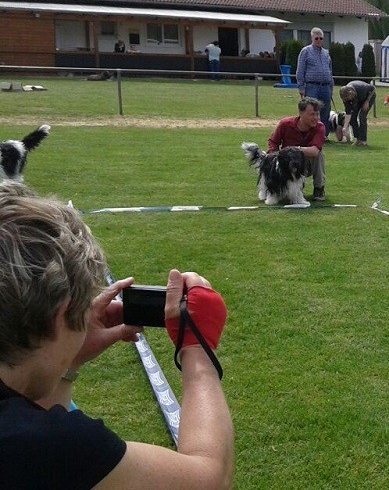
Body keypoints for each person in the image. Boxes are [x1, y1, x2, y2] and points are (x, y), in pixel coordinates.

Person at [0, 183, 233, 489]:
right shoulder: (44, 444)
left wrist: (69, 357)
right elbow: (210, 478)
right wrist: (197, 349)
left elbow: (30, 411)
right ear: (60, 315)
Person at [268, 96, 327, 200]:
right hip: (286, 164)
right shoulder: (285, 124)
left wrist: (292, 150)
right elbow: (273, 142)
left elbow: (314, 151)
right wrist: (275, 159)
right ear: (301, 113)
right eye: (312, 114)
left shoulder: (320, 127)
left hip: (305, 165)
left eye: (317, 114)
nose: (316, 118)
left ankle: (319, 188)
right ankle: (281, 187)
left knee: (319, 154)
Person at [296, 28, 335, 115]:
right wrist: (301, 88)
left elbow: (330, 71)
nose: (319, 40)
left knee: (326, 113)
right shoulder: (305, 51)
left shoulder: (326, 53)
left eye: (321, 38)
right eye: (316, 38)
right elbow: (300, 70)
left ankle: (324, 129)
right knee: (311, 112)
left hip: (326, 88)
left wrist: (331, 88)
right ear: (312, 38)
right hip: (312, 87)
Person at [339, 80, 376, 147]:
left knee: (362, 116)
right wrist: (345, 127)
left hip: (369, 96)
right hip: (358, 99)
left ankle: (363, 140)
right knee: (352, 118)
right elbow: (348, 113)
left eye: (347, 98)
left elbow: (373, 88)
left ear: (351, 93)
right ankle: (358, 138)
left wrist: (367, 101)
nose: (346, 100)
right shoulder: (346, 98)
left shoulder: (360, 89)